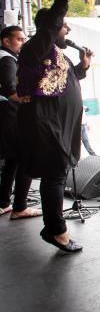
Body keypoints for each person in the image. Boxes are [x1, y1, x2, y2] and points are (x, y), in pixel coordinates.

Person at [17, 0, 92, 252]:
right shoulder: (35, 48)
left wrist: (83, 67)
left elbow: (64, 81)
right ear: (51, 27)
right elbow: (51, 26)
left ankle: (55, 228)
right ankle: (56, 230)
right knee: (55, 174)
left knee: (56, 173)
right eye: (63, 26)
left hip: (56, 123)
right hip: (44, 122)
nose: (67, 29)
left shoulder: (56, 53)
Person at [0, 25, 39, 219]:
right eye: (19, 39)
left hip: (7, 115)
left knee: (13, 160)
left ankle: (4, 203)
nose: (23, 42)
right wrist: (31, 100)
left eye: (24, 39)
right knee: (26, 158)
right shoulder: (7, 59)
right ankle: (20, 207)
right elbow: (9, 89)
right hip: (10, 116)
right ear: (6, 41)